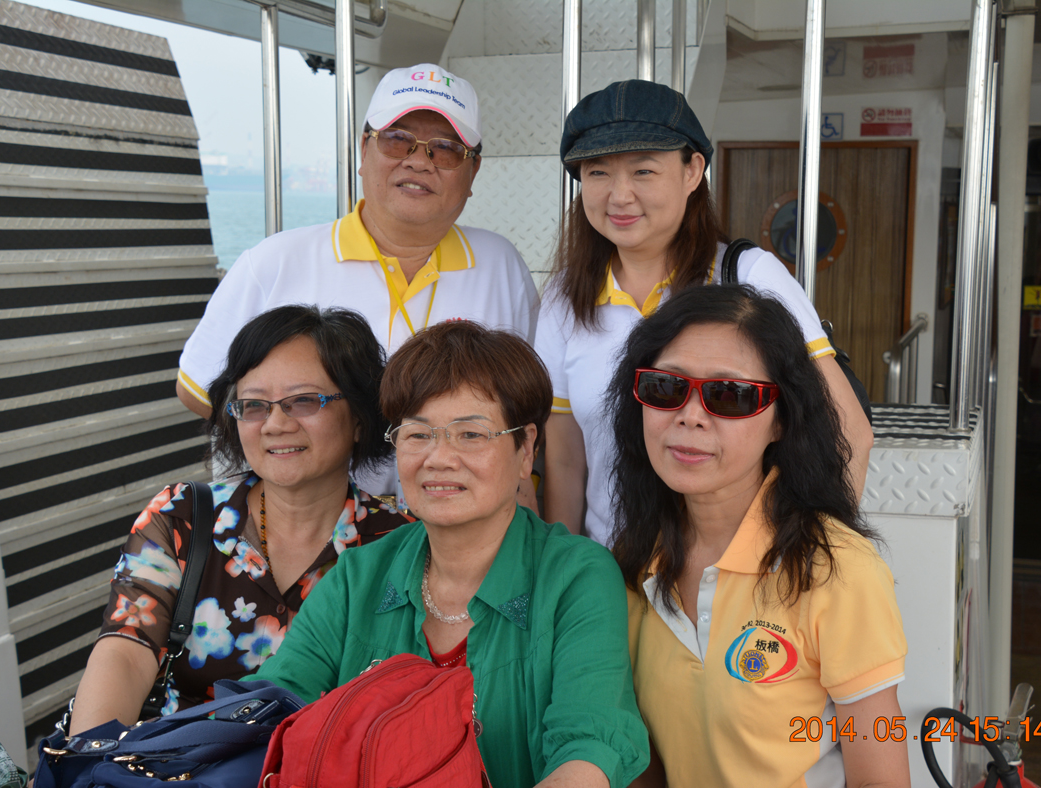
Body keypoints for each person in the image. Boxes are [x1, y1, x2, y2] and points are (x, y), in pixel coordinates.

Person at [254, 321, 648, 788]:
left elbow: (589, 746)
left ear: (526, 449)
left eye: (471, 434)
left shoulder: (576, 576)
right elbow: (270, 712)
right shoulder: (356, 577)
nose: (439, 458)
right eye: (417, 434)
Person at [177, 63, 540, 496]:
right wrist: (298, 455)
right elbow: (198, 389)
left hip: (454, 518)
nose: (418, 161)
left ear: (473, 171)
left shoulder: (501, 264)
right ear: (364, 150)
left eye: (445, 149)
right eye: (397, 139)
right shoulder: (274, 261)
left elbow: (525, 406)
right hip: (318, 521)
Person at [534, 79, 873, 543]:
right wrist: (567, 569)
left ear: (693, 171)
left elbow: (849, 431)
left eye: (644, 171)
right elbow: (566, 459)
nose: (620, 195)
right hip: (609, 571)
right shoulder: (564, 297)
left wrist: (811, 563)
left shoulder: (748, 275)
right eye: (597, 173)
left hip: (735, 573)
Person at [607, 284, 908, 787]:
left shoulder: (838, 571)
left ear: (781, 421)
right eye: (665, 387)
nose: (690, 415)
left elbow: (881, 780)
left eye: (729, 395)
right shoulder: (633, 562)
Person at [69, 306, 407, 733]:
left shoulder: (403, 541)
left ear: (359, 418)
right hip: (180, 761)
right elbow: (125, 653)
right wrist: (89, 756)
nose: (276, 424)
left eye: (304, 400)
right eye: (254, 405)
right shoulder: (182, 516)